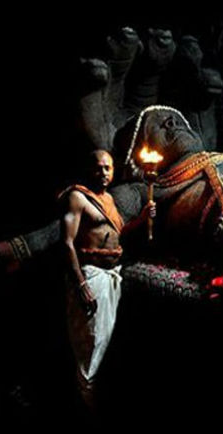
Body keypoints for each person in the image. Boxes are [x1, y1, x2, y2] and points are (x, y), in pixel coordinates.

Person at [60, 149, 155, 408]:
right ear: (89, 169)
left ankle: (99, 403)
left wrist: (142, 218)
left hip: (112, 275)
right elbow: (67, 243)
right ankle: (86, 407)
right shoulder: (77, 197)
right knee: (92, 343)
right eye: (98, 167)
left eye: (108, 168)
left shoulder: (109, 199)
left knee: (107, 343)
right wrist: (81, 284)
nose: (103, 173)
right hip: (91, 276)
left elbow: (118, 233)